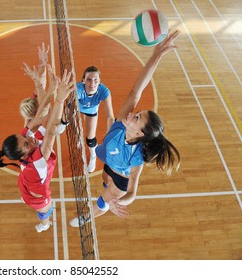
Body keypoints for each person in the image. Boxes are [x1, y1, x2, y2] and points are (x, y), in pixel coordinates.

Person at [70, 30, 181, 227]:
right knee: (105, 179)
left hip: (120, 181)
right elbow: (137, 90)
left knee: (103, 201)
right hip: (109, 164)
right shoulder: (122, 122)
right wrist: (156, 55)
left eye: (136, 117)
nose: (131, 114)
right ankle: (107, 187)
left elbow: (132, 192)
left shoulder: (136, 158)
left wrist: (118, 202)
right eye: (136, 112)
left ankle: (88, 218)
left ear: (140, 133)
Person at [0, 67, 75, 233]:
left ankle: (31, 202)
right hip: (38, 197)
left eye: (24, 137)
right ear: (24, 153)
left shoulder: (27, 141)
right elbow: (51, 129)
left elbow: (41, 116)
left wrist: (45, 87)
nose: (29, 138)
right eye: (26, 143)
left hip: (26, 183)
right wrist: (58, 100)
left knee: (42, 122)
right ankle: (45, 225)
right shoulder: (38, 160)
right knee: (46, 211)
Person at [77, 66, 115, 173]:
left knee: (90, 138)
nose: (92, 83)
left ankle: (93, 156)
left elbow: (110, 116)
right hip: (76, 108)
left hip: (91, 111)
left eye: (95, 80)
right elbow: (69, 108)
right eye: (89, 79)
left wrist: (110, 134)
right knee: (68, 125)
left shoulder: (104, 91)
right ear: (83, 80)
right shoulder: (78, 89)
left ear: (99, 82)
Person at [19, 43, 50, 127]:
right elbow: (46, 105)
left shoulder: (35, 101)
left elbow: (41, 84)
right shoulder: (36, 123)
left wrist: (43, 64)